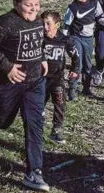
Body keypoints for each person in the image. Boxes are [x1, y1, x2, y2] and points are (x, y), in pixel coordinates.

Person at [0, 0, 50, 192]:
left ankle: (34, 172)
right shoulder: (7, 22)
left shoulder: (37, 20)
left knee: (34, 124)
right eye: (29, 5)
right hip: (8, 84)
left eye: (37, 4)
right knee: (2, 122)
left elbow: (40, 41)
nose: (34, 9)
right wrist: (7, 67)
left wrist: (43, 58)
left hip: (35, 83)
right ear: (16, 3)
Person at [62, 0, 104, 100]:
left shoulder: (94, 4)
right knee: (77, 64)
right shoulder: (72, 7)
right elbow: (66, 25)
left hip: (89, 39)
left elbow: (100, 17)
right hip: (76, 38)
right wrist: (63, 41)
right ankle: (73, 90)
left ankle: (86, 88)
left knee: (88, 65)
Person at [41, 10, 79, 145]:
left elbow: (75, 56)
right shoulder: (39, 38)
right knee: (39, 104)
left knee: (59, 102)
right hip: (40, 79)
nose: (45, 27)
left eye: (48, 24)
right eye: (43, 23)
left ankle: (56, 130)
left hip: (57, 78)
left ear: (57, 24)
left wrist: (75, 69)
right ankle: (37, 125)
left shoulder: (65, 39)